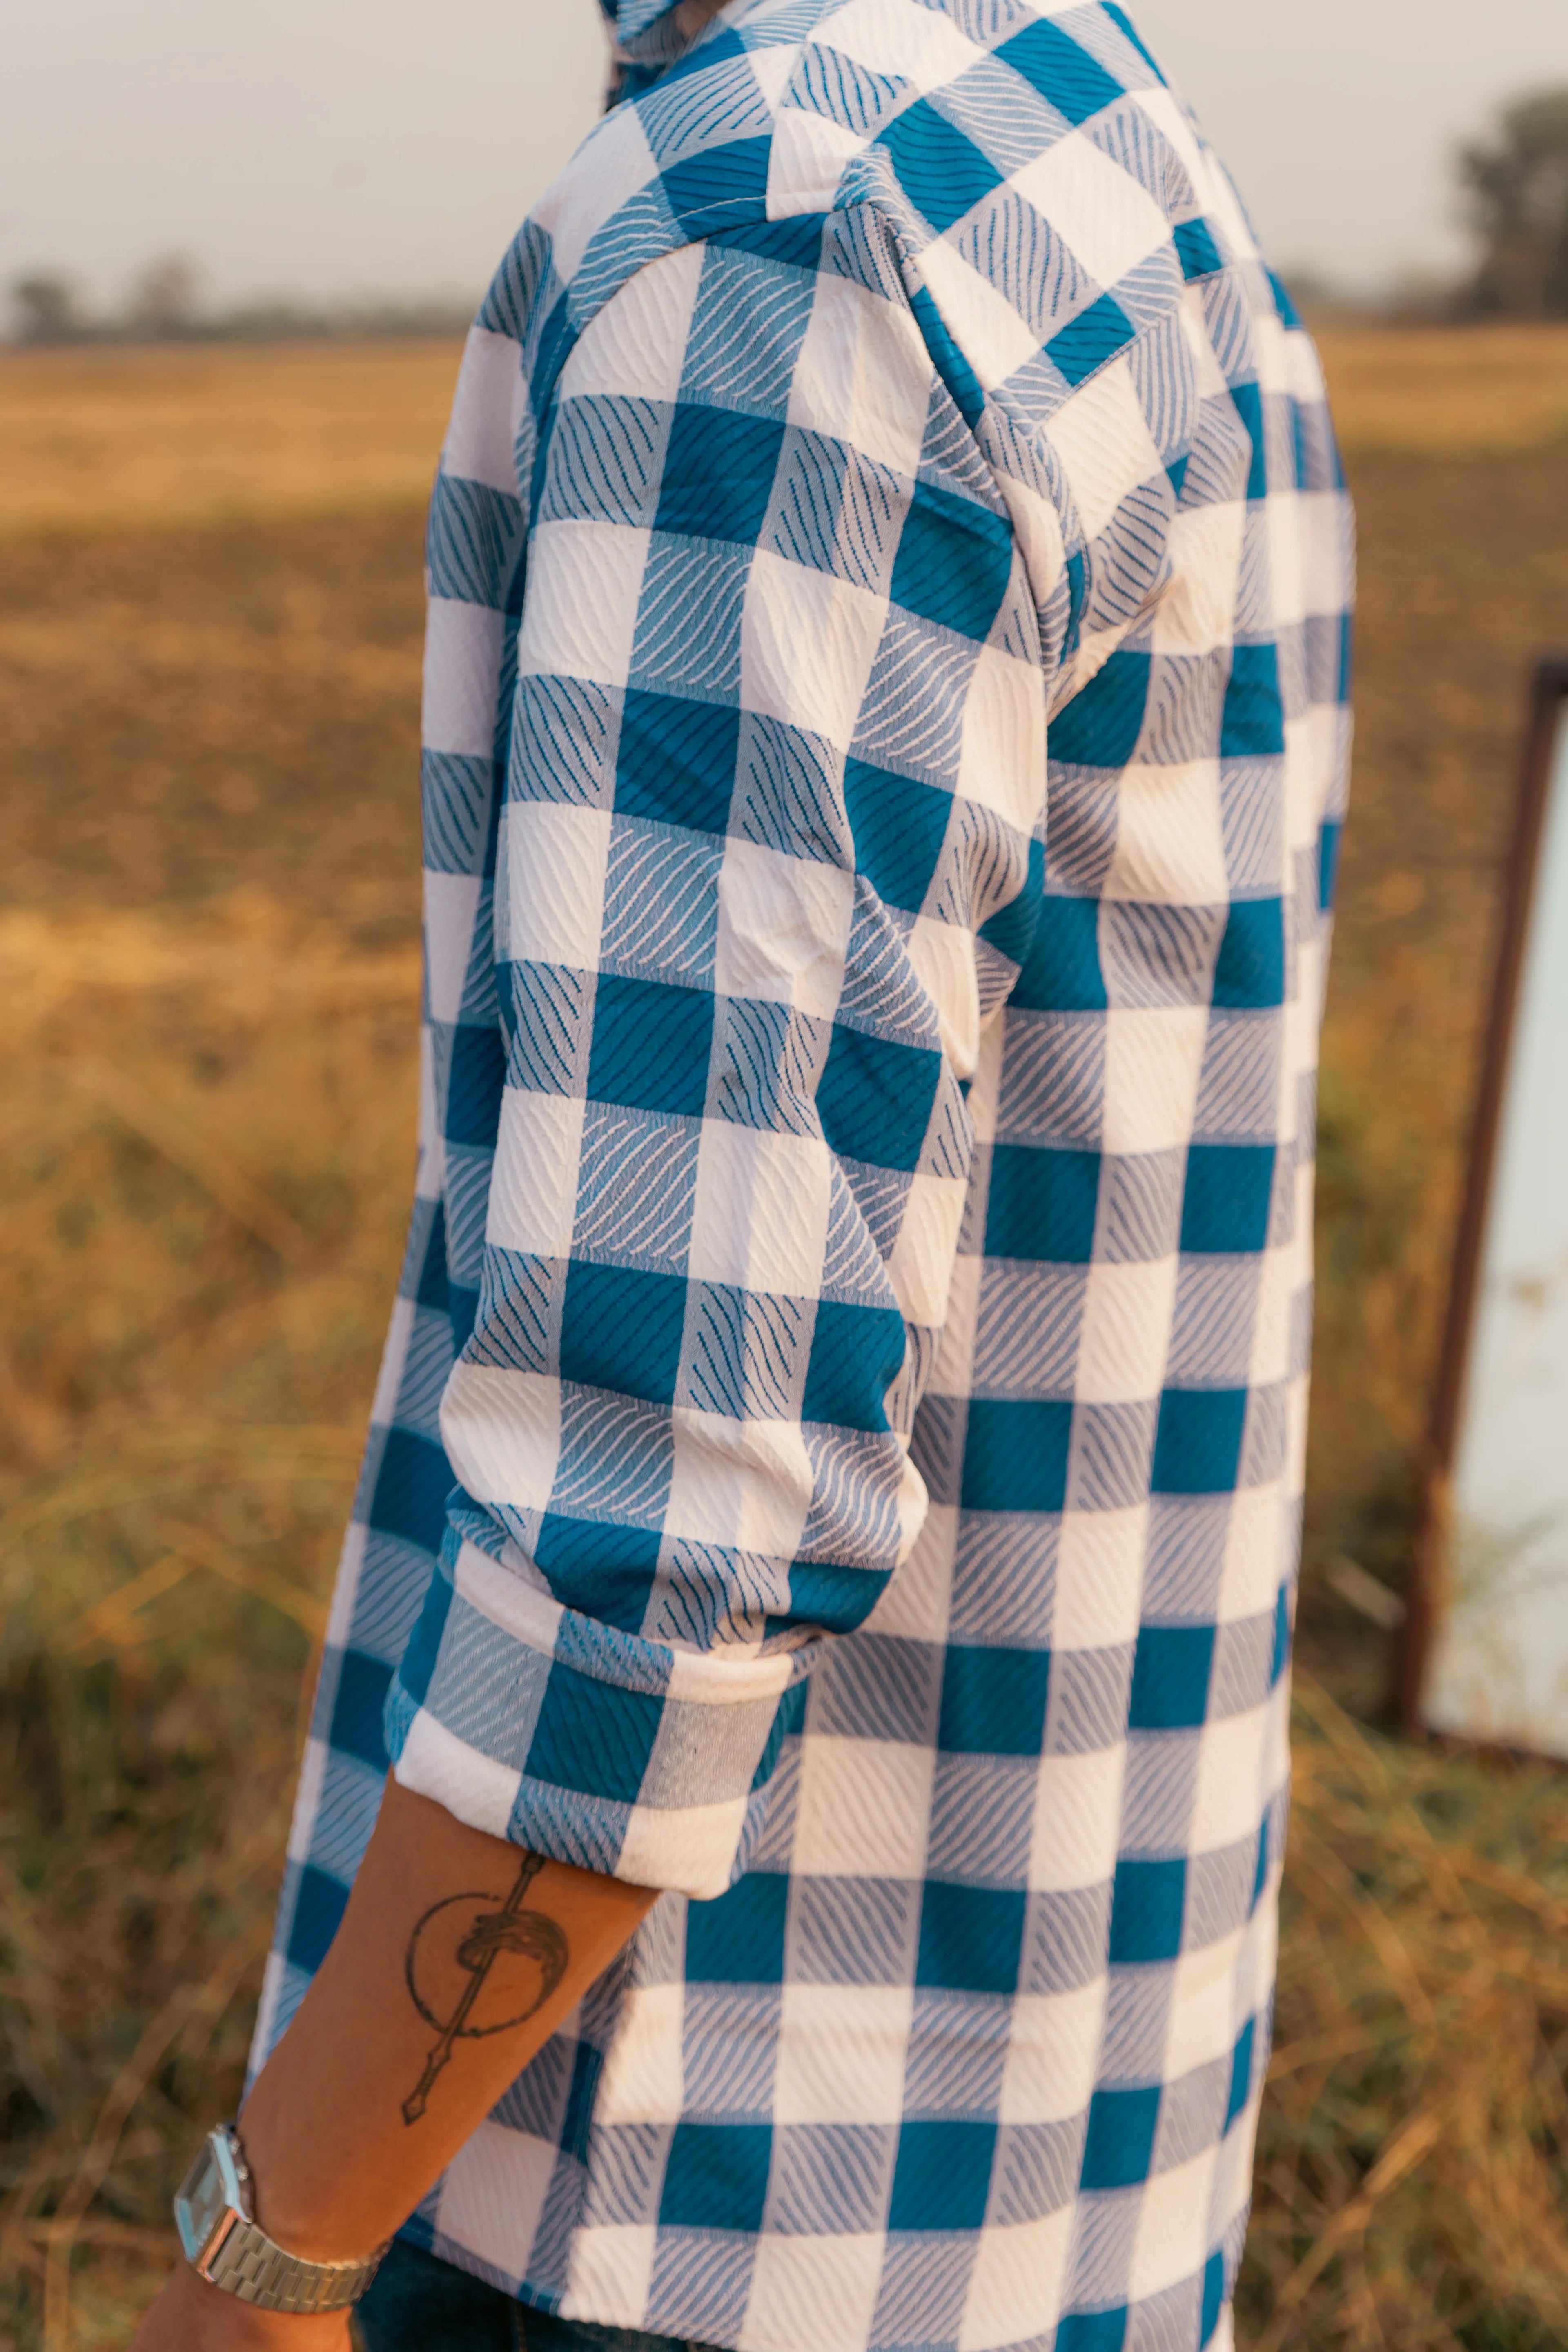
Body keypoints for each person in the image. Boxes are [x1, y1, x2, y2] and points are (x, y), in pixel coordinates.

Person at [133, 0, 1352, 2344]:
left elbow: (672, 1516)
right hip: (1056, 2162)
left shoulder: (776, 236)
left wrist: (264, 2258)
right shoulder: (1081, 136)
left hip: (675, 2197)